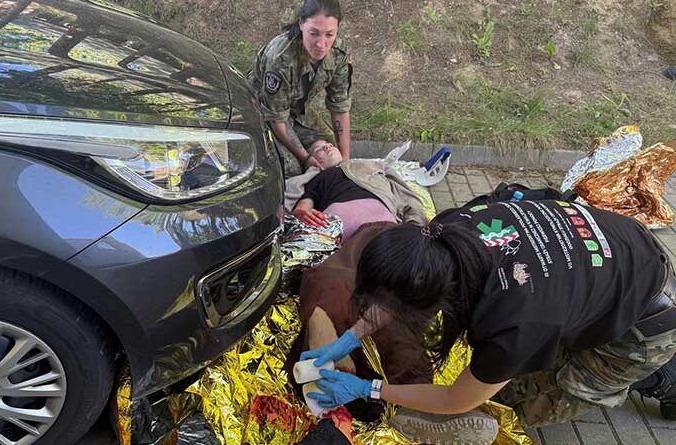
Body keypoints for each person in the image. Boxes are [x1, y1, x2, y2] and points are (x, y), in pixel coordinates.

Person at [299, 199, 676, 443]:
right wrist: (349, 337)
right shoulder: (447, 230)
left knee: (520, 400)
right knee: (541, 352)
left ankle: (661, 378)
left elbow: (454, 399)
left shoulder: (516, 323)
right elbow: (397, 293)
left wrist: (369, 390)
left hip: (647, 321)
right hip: (618, 251)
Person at [249, 0, 352, 176]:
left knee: (332, 156)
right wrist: (305, 157)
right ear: (301, 24)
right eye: (314, 34)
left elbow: (339, 107)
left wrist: (346, 161)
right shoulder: (280, 59)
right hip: (261, 112)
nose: (321, 44)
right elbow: (276, 118)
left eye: (329, 34)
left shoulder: (338, 53)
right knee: (292, 169)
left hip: (297, 110)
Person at [288, 140, 427, 242]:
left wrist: (416, 227)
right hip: (337, 230)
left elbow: (407, 197)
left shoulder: (371, 165)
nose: (327, 146)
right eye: (319, 149)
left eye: (329, 144)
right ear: (313, 160)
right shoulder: (318, 177)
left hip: (380, 220)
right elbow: (304, 205)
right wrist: (301, 213)